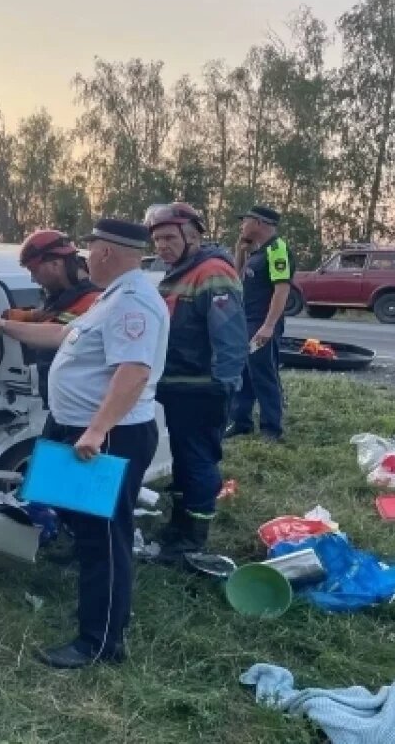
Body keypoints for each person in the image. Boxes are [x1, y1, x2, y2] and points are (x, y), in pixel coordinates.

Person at [0, 218, 169, 669]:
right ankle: (91, 607)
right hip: (77, 426)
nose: (85, 255)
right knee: (78, 521)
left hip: (106, 435)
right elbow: (61, 335)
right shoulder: (110, 299)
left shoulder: (133, 303)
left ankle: (99, 643)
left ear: (107, 253)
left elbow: (132, 373)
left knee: (105, 539)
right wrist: (0, 326)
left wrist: (95, 431)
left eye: (91, 248)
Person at [143, 203, 247, 565]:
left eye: (169, 237)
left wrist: (224, 384)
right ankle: (178, 526)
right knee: (185, 462)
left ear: (193, 236)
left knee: (199, 463)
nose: (162, 246)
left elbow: (230, 334)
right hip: (177, 385)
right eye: (157, 239)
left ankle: (192, 539)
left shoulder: (212, 272)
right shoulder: (179, 273)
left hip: (201, 387)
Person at [6, 229, 101, 402]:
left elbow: (56, 331)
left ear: (55, 265)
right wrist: (26, 316)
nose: (33, 279)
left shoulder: (93, 302)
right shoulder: (64, 297)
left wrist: (2, 325)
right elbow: (52, 314)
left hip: (79, 407)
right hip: (60, 403)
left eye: (34, 271)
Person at [229, 205, 294, 441]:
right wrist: (240, 252)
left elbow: (282, 289)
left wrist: (268, 326)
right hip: (246, 321)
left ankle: (271, 428)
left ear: (258, 223)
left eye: (244, 220)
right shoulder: (258, 252)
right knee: (244, 373)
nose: (241, 226)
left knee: (264, 373)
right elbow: (236, 280)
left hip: (262, 323)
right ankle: (240, 421)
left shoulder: (277, 250)